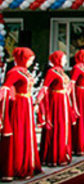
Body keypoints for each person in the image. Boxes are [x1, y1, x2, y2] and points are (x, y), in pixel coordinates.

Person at [0, 47, 42, 181]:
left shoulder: (25, 72)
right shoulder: (14, 72)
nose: (30, 62)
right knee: (20, 133)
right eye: (29, 59)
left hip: (27, 104)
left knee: (28, 133)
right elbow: (5, 88)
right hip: (20, 106)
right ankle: (18, 165)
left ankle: (29, 162)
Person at [37, 51, 76, 166]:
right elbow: (45, 88)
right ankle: (54, 155)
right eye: (63, 58)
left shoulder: (62, 72)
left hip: (63, 101)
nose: (65, 60)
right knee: (57, 126)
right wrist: (37, 102)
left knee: (64, 126)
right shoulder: (51, 71)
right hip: (56, 103)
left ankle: (63, 152)